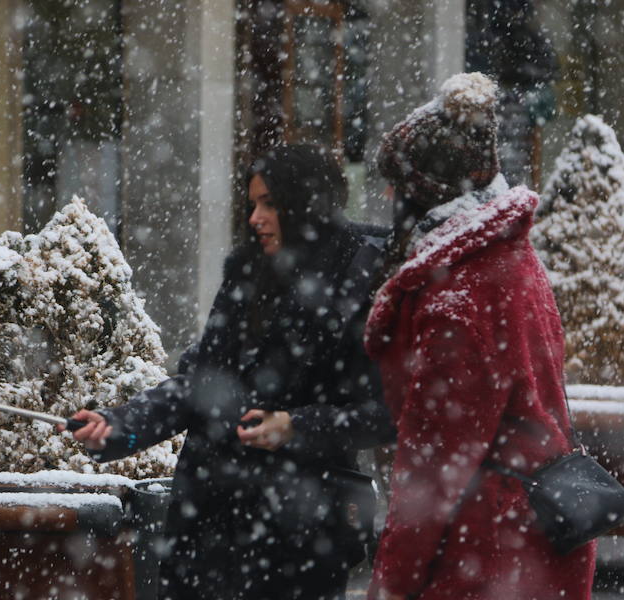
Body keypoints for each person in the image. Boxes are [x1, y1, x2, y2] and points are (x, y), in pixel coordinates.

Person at [59, 144, 395, 600]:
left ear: (307, 205)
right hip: (208, 527)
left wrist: (296, 426)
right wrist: (120, 426)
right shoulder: (248, 276)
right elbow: (200, 384)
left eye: (270, 204)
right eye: (253, 204)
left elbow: (384, 414)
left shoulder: (365, 283)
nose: (256, 218)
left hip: (301, 537)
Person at [364, 72, 596, 600]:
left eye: (398, 182)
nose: (387, 194)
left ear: (426, 188)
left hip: (483, 555)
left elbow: (435, 465)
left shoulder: (459, 291)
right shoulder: (511, 256)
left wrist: (392, 586)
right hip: (538, 532)